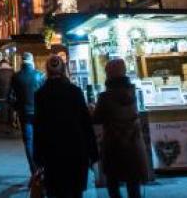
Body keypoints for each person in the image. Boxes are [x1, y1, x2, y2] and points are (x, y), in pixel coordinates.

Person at [34, 55, 98, 198]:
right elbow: (85, 123)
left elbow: (38, 127)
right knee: (75, 191)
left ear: (47, 71)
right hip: (76, 150)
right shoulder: (75, 91)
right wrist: (93, 153)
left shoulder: (40, 94)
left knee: (56, 192)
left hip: (52, 152)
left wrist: (38, 157)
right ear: (64, 69)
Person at [92, 59, 150, 198]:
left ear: (109, 74)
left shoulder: (105, 97)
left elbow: (97, 119)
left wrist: (92, 109)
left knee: (113, 185)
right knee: (133, 185)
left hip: (114, 145)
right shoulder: (132, 93)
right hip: (133, 145)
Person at [11, 52, 44, 174]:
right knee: (40, 139)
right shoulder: (40, 75)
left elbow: (10, 97)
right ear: (32, 61)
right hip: (39, 113)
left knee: (29, 141)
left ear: (22, 62)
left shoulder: (16, 77)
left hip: (24, 113)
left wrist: (17, 107)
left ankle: (34, 170)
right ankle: (42, 167)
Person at [0, 59, 15, 130]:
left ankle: (4, 121)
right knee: (11, 106)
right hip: (10, 92)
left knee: (3, 106)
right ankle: (11, 120)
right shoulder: (12, 71)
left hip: (1, 91)